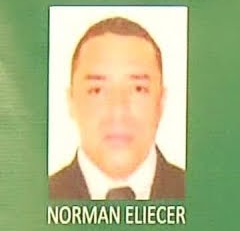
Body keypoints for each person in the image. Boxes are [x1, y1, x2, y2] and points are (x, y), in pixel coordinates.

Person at [49, 17, 185, 200]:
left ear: (161, 102)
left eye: (138, 89)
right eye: (97, 90)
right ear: (71, 101)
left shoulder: (208, 197)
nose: (118, 111)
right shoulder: (29, 202)